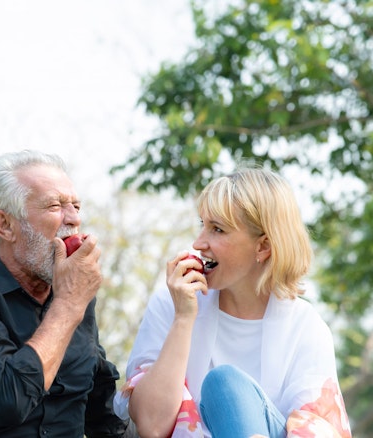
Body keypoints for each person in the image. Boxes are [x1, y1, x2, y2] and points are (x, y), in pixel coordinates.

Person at [113, 167, 352, 437]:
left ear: (262, 246)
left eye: (217, 229)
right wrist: (183, 319)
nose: (199, 243)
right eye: (201, 225)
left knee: (225, 387)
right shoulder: (170, 305)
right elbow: (151, 426)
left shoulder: (306, 327)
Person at [0, 150, 134, 437]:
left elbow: (102, 418)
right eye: (55, 206)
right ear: (6, 225)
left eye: (76, 206)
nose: (73, 219)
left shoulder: (73, 297)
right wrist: (69, 305)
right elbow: (10, 399)